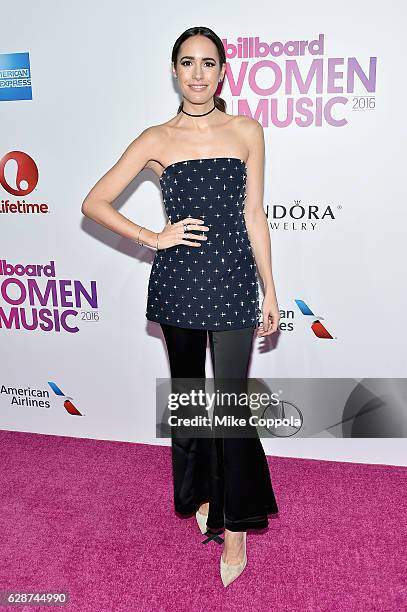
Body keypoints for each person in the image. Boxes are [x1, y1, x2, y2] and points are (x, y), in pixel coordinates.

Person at [81, 25, 280, 587]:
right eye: (187, 63)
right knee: (193, 398)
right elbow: (93, 202)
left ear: (223, 71)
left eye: (208, 63)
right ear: (175, 71)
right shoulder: (156, 138)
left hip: (236, 282)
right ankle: (200, 499)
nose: (198, 73)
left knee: (232, 405)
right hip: (180, 285)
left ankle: (234, 525)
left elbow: (254, 214)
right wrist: (153, 236)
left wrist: (270, 288)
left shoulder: (246, 130)